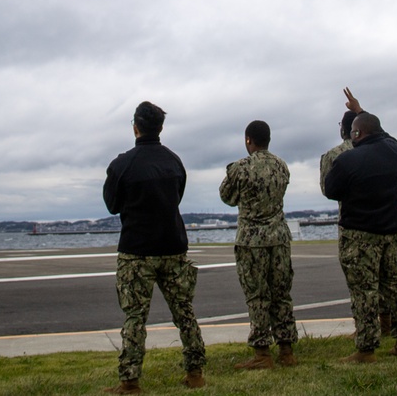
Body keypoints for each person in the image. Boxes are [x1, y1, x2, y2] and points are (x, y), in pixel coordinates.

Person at [103, 101, 206, 393]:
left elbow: (111, 205)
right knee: (184, 311)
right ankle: (196, 372)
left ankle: (130, 379)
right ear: (160, 127)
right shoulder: (174, 161)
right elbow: (177, 196)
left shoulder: (123, 164)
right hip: (173, 244)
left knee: (135, 317)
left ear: (135, 127)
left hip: (136, 250)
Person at [323, 91, 397, 363]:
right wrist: (360, 109)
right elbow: (381, 131)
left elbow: (331, 190)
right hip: (390, 231)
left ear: (356, 134)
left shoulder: (348, 160)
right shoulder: (394, 148)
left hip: (359, 234)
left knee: (364, 292)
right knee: (395, 286)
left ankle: (366, 348)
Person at [219, 120, 300, 369]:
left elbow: (226, 197)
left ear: (248, 140)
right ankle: (286, 350)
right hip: (279, 238)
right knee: (281, 294)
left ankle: (262, 352)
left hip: (251, 241)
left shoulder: (240, 168)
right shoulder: (282, 166)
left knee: (257, 297)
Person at [319, 88, 393, 336]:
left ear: (348, 130)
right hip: (385, 218)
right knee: (388, 278)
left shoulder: (334, 155)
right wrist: (360, 109)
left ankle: (365, 329)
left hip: (353, 222)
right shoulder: (384, 147)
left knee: (361, 282)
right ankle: (387, 323)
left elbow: (327, 189)